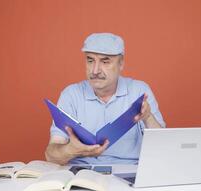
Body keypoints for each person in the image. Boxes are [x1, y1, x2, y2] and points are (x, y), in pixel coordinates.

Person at [45, 33, 165, 165]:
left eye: (105, 61)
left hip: (129, 172)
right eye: (90, 60)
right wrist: (71, 150)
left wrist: (148, 117)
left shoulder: (140, 91)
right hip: (82, 174)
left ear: (121, 64)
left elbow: (164, 149)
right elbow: (51, 156)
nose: (95, 70)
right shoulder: (70, 95)